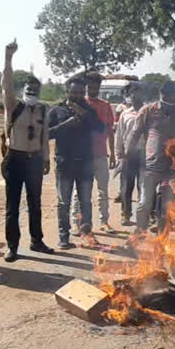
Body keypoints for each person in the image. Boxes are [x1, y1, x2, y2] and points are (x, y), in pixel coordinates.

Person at [1, 40, 53, 262]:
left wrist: (46, 158)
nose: (32, 92)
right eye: (29, 89)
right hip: (15, 159)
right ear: (23, 91)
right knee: (12, 205)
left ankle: (36, 241)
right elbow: (6, 84)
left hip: (34, 160)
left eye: (35, 89)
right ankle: (12, 246)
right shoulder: (14, 105)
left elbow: (44, 135)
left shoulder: (42, 108)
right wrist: (8, 57)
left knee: (35, 203)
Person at [48, 74, 104, 249]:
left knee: (86, 201)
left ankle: (87, 235)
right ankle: (64, 238)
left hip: (85, 164)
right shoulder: (56, 110)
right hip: (64, 164)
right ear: (67, 91)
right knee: (63, 202)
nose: (78, 95)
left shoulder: (89, 110)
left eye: (81, 92)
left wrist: (84, 114)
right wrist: (66, 124)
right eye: (74, 92)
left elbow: (100, 128)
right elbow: (47, 134)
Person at [129, 81, 175, 235]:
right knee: (144, 203)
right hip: (150, 166)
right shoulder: (148, 110)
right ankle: (140, 232)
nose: (168, 98)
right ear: (161, 94)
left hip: (172, 168)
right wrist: (127, 156)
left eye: (171, 95)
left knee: (167, 206)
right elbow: (135, 134)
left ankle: (162, 239)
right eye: (165, 95)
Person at [72, 71, 116, 234]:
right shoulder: (79, 103)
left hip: (100, 155)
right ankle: (77, 223)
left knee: (103, 191)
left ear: (99, 87)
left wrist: (112, 154)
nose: (93, 90)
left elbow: (110, 131)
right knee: (81, 191)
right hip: (83, 157)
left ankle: (104, 221)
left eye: (95, 87)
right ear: (86, 87)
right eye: (90, 87)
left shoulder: (105, 106)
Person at [115, 86, 145, 226]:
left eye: (138, 95)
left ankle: (144, 215)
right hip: (128, 155)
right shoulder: (125, 114)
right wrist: (118, 155)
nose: (135, 98)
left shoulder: (149, 112)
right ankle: (125, 215)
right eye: (132, 95)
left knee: (144, 187)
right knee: (126, 187)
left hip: (145, 155)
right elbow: (119, 136)